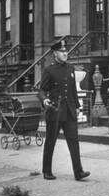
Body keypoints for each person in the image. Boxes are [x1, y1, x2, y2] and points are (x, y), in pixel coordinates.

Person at [38, 39, 90, 181]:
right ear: (55, 53)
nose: (65, 53)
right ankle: (46, 171)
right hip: (55, 111)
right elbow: (41, 90)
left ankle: (78, 172)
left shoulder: (70, 68)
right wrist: (44, 100)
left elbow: (73, 90)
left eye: (66, 51)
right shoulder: (49, 70)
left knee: (74, 142)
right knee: (50, 142)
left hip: (69, 111)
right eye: (62, 51)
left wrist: (77, 108)